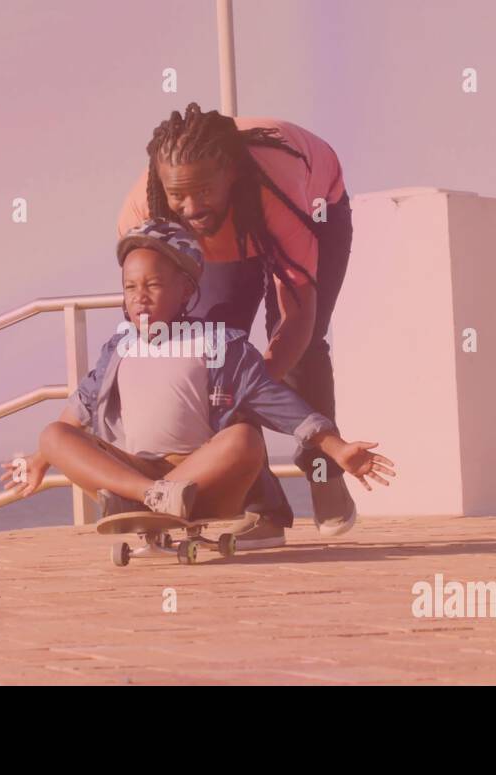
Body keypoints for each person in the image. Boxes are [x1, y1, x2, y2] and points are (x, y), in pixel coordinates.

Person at [2, 219, 392, 537]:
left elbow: (275, 400)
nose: (140, 297)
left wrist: (336, 448)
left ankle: (156, 498)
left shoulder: (217, 342)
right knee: (53, 435)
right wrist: (40, 461)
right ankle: (151, 497)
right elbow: (80, 408)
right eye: (130, 287)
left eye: (153, 285)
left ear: (186, 288)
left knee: (244, 439)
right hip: (136, 473)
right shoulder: (118, 348)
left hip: (200, 482)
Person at [117, 103, 356, 547]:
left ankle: (324, 470)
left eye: (203, 191)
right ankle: (261, 509)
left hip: (314, 208)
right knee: (202, 360)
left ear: (229, 172)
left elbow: (296, 316)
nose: (190, 208)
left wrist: (252, 386)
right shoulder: (142, 212)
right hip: (227, 238)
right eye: (178, 197)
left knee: (302, 348)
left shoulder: (277, 187)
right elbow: (153, 340)